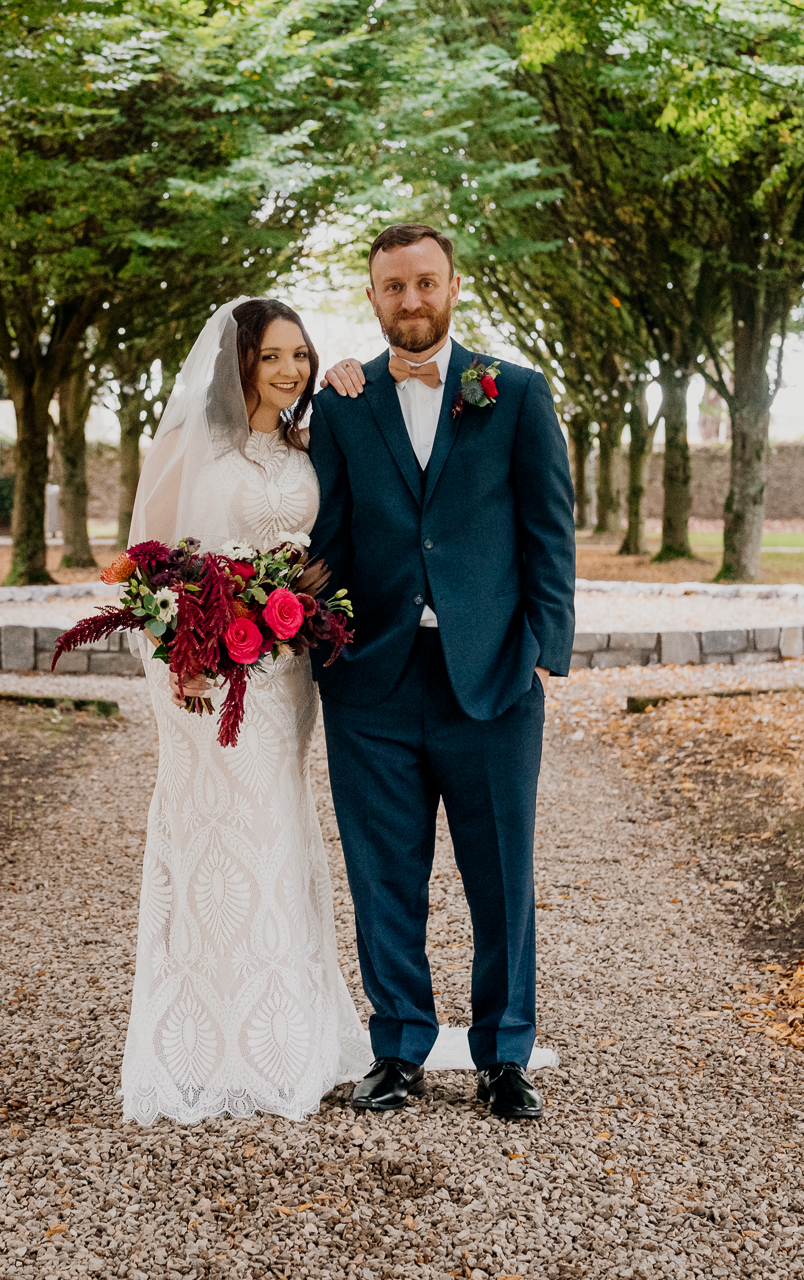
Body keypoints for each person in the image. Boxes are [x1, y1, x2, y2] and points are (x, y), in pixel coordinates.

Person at [307, 224, 576, 1121]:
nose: (410, 300)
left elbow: (549, 532)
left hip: (492, 679)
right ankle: (398, 1049)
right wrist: (319, 645)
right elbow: (328, 538)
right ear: (373, 295)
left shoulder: (517, 393)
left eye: (426, 283)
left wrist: (545, 650)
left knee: (501, 873)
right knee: (384, 873)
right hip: (371, 682)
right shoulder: (343, 404)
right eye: (393, 286)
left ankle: (505, 1056)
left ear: (454, 286)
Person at [118, 297, 371, 1124]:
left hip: (282, 673)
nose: (291, 370)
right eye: (273, 357)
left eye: (300, 354)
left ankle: (286, 1037)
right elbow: (143, 570)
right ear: (240, 365)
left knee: (276, 826)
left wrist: (345, 379)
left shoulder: (306, 443)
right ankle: (200, 1044)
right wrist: (180, 658)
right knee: (210, 836)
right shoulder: (190, 445)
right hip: (200, 674)